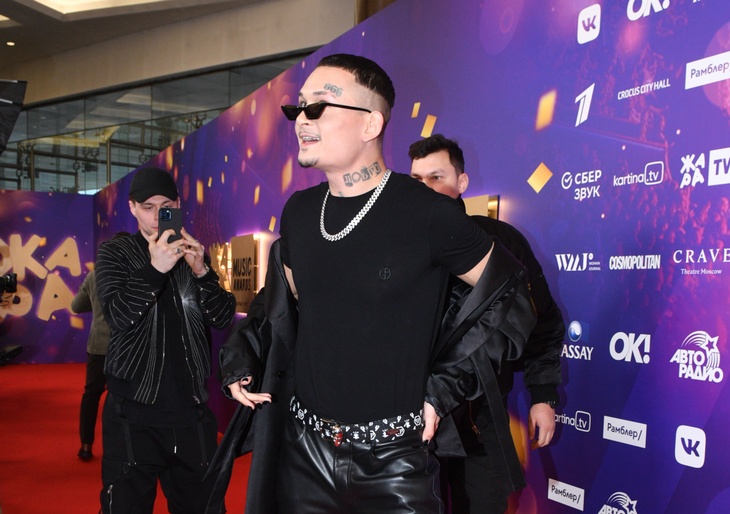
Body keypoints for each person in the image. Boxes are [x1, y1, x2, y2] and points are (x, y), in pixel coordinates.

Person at [208, 54, 537, 514]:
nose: (301, 119)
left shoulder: (427, 212)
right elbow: (278, 306)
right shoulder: (300, 212)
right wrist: (243, 356)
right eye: (298, 107)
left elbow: (512, 298)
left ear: (371, 123)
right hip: (304, 453)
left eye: (318, 106)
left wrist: (444, 390)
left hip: (396, 463)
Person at [409, 134, 565, 514]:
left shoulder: (501, 242)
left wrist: (543, 394)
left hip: (480, 417)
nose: (425, 189)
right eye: (416, 180)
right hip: (411, 417)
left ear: (462, 182)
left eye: (436, 177)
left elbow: (542, 321)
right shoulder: (395, 249)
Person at [95, 166, 236, 514]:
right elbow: (119, 315)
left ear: (178, 205)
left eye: (166, 207)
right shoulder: (115, 252)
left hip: (191, 413)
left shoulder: (192, 253)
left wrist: (202, 271)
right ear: (132, 208)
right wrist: (155, 268)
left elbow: (222, 317)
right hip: (133, 414)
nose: (158, 216)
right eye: (148, 207)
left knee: (204, 506)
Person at [71, 231, 130, 461]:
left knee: (92, 395)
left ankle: (86, 445)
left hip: (98, 345)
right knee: (125, 398)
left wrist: (97, 306)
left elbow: (76, 306)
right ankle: (123, 448)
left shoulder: (94, 276)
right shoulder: (136, 275)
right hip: (126, 346)